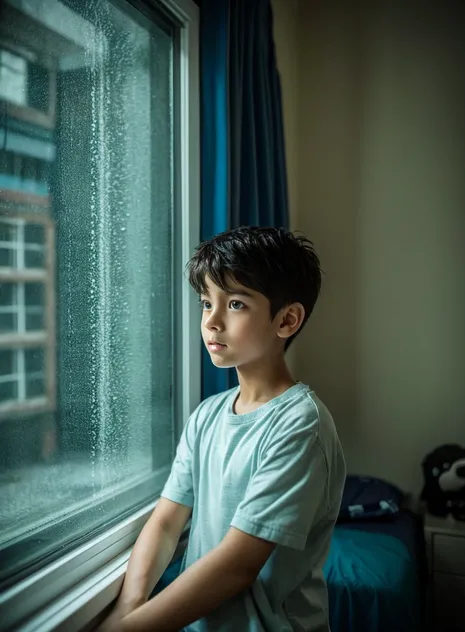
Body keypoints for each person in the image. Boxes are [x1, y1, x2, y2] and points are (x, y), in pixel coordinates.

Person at [97, 226, 346, 632]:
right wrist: (128, 607)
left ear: (287, 320)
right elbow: (164, 523)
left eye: (234, 304)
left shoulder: (301, 424)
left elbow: (237, 566)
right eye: (205, 303)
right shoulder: (207, 415)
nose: (211, 321)